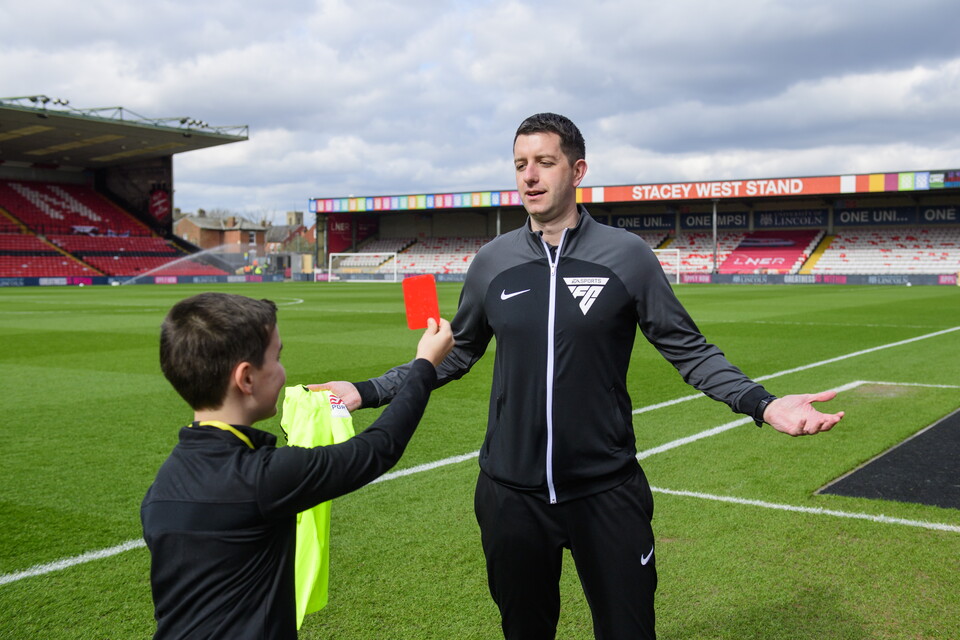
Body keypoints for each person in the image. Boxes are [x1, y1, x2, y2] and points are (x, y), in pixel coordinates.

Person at [319, 113, 844, 640]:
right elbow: (454, 354)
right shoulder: (491, 262)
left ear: (578, 170)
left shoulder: (628, 256)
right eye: (520, 165)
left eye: (544, 163)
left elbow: (690, 351)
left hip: (606, 491)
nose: (530, 176)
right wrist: (365, 392)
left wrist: (765, 404)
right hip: (510, 496)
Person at [141, 292, 453, 639]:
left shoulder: (164, 482)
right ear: (246, 379)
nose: (282, 370)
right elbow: (378, 449)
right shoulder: (260, 479)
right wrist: (424, 364)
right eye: (277, 357)